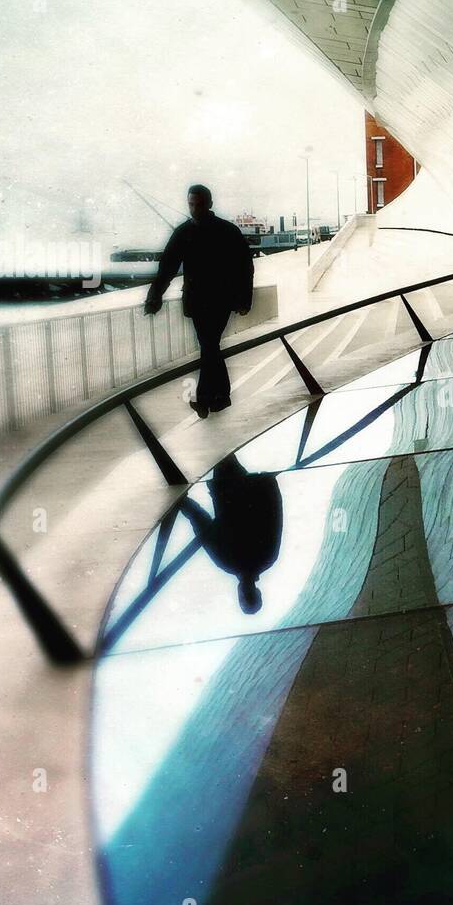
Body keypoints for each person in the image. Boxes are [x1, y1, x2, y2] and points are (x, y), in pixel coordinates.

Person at [144, 184, 253, 417]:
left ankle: (209, 399)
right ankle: (218, 398)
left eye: (198, 204)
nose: (194, 209)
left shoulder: (186, 232)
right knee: (210, 346)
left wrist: (154, 298)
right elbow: (168, 268)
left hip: (207, 301)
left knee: (209, 345)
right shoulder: (226, 230)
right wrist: (244, 299)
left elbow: (244, 267)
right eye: (191, 205)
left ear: (209, 204)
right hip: (217, 300)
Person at [178, 455, 283, 614]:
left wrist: (268, 482)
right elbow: (200, 520)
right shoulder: (226, 562)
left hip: (250, 485)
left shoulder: (269, 558)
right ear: (240, 594)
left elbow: (275, 514)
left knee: (222, 447)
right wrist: (181, 502)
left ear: (259, 592)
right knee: (216, 448)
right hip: (225, 487)